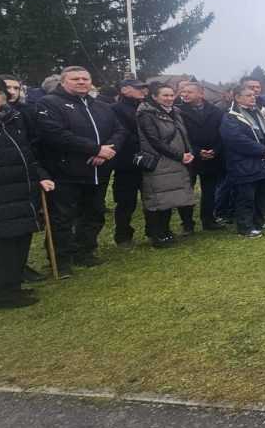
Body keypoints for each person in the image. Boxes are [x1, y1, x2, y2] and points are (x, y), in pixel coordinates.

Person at [0, 76, 55, 309]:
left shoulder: (11, 119)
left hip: (19, 193)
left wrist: (41, 175)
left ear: (2, 98)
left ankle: (12, 289)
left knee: (18, 244)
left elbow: (27, 153)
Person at [35, 66, 126, 274]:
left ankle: (85, 251)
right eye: (75, 79)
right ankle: (61, 260)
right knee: (63, 218)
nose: (81, 82)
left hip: (98, 170)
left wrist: (107, 150)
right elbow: (55, 134)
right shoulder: (49, 103)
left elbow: (120, 130)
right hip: (65, 172)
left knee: (94, 213)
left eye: (85, 78)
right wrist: (94, 149)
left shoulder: (102, 106)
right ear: (63, 82)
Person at [136, 82, 196, 248]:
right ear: (155, 97)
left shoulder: (176, 112)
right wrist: (179, 155)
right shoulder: (146, 114)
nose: (169, 99)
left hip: (178, 161)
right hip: (161, 161)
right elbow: (154, 140)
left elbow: (184, 135)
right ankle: (157, 234)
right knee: (159, 200)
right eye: (165, 95)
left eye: (171, 95)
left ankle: (166, 232)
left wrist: (189, 152)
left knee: (170, 198)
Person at [220, 85, 265, 238]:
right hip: (245, 164)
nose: (253, 97)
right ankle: (245, 227)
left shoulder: (261, 113)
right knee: (246, 197)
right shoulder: (231, 116)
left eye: (253, 95)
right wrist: (264, 150)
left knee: (263, 197)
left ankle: (259, 222)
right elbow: (236, 140)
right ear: (237, 97)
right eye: (248, 95)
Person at [178, 81, 225, 231]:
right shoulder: (177, 111)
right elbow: (180, 136)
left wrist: (215, 150)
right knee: (186, 191)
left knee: (209, 191)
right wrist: (197, 151)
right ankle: (187, 223)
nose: (185, 95)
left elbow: (222, 133)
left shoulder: (216, 111)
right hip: (189, 157)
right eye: (183, 92)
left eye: (189, 92)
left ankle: (208, 219)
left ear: (201, 93)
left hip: (212, 157)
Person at [110, 78, 148, 247]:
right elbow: (121, 133)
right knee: (126, 202)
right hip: (126, 162)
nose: (143, 91)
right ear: (125, 90)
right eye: (138, 88)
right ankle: (123, 235)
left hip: (147, 159)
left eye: (143, 88)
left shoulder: (145, 106)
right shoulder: (115, 109)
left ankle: (154, 230)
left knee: (151, 198)